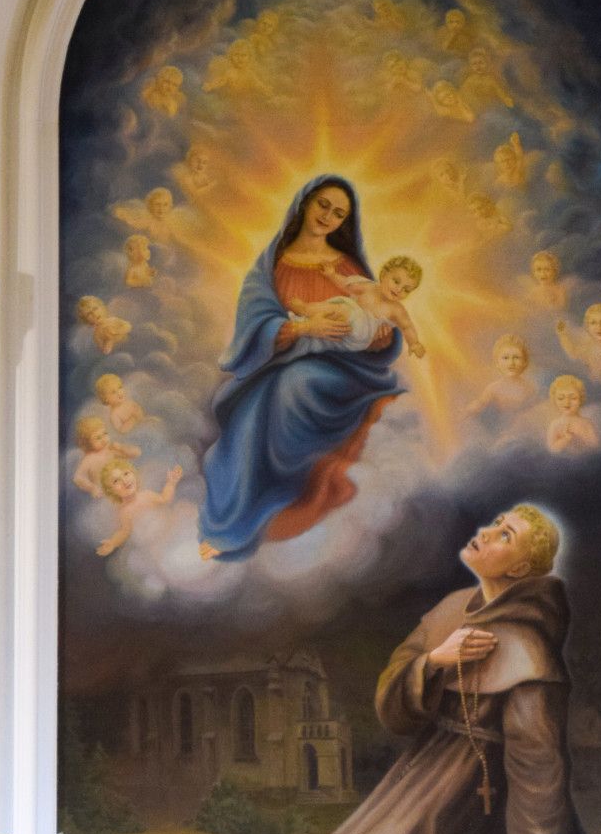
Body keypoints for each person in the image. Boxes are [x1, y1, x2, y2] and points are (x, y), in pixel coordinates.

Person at [290, 506, 601, 834]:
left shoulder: (528, 648)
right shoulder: (452, 609)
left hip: (481, 792)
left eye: (505, 535)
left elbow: (537, 757)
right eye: (495, 524)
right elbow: (393, 702)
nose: (486, 533)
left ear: (519, 567)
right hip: (426, 773)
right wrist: (435, 662)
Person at [197, 176, 405, 561]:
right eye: (323, 205)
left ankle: (290, 490)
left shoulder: (346, 265)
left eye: (339, 213)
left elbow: (379, 318)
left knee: (297, 384)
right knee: (251, 416)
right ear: (305, 203)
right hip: (276, 365)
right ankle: (243, 517)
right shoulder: (271, 267)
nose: (328, 217)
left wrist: (381, 338)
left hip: (345, 369)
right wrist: (305, 328)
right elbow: (254, 327)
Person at [292, 254, 427, 360]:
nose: (399, 289)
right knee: (334, 312)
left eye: (406, 289)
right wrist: (332, 275)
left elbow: (407, 327)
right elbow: (346, 285)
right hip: (349, 325)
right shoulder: (368, 287)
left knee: (341, 308)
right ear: (384, 274)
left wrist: (414, 343)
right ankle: (305, 321)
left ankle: (305, 309)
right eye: (396, 281)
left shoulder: (397, 309)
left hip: (362, 333)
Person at [96, 458, 183, 557]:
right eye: (116, 481)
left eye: (126, 474)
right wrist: (113, 543)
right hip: (154, 546)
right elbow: (124, 532)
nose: (124, 481)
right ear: (111, 491)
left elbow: (164, 499)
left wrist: (171, 483)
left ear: (134, 474)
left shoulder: (147, 495)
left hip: (170, 532)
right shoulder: (125, 512)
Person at [556, 301, 601, 382]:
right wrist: (563, 335)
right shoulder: (589, 346)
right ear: (587, 327)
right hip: (590, 383)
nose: (599, 327)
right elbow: (573, 353)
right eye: (593, 323)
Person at [467, 334, 536, 416]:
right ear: (497, 363)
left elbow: (533, 413)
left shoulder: (529, 389)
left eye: (516, 357)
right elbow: (480, 406)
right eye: (505, 358)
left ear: (524, 362)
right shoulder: (492, 389)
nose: (511, 363)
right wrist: (475, 407)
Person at [71, 415, 139, 493]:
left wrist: (121, 448)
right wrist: (93, 488)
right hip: (104, 492)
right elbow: (77, 478)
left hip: (120, 488)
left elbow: (135, 454)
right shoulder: (89, 459)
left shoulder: (111, 451)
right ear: (87, 443)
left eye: (105, 433)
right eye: (98, 438)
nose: (104, 440)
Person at [546, 375, 599, 453]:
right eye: (561, 398)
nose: (567, 403)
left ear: (580, 400)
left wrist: (583, 438)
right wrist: (566, 439)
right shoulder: (555, 424)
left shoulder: (586, 423)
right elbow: (552, 449)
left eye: (573, 398)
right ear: (555, 400)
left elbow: (596, 447)